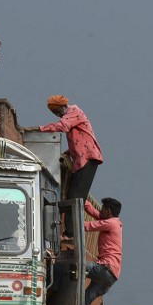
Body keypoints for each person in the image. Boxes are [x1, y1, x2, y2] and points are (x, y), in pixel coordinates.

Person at [24, 96, 103, 234]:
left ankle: (71, 232)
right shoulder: (70, 114)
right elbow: (76, 142)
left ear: (62, 107)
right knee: (71, 195)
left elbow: (62, 126)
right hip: (80, 159)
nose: (56, 115)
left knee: (76, 197)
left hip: (88, 158)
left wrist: (35, 129)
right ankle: (69, 230)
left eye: (56, 111)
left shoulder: (74, 111)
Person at [76, 198, 121, 305]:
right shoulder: (113, 222)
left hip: (105, 269)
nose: (100, 211)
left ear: (108, 210)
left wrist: (72, 216)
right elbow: (95, 213)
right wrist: (83, 200)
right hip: (111, 277)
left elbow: (87, 226)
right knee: (85, 302)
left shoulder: (111, 223)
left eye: (103, 209)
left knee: (76, 266)